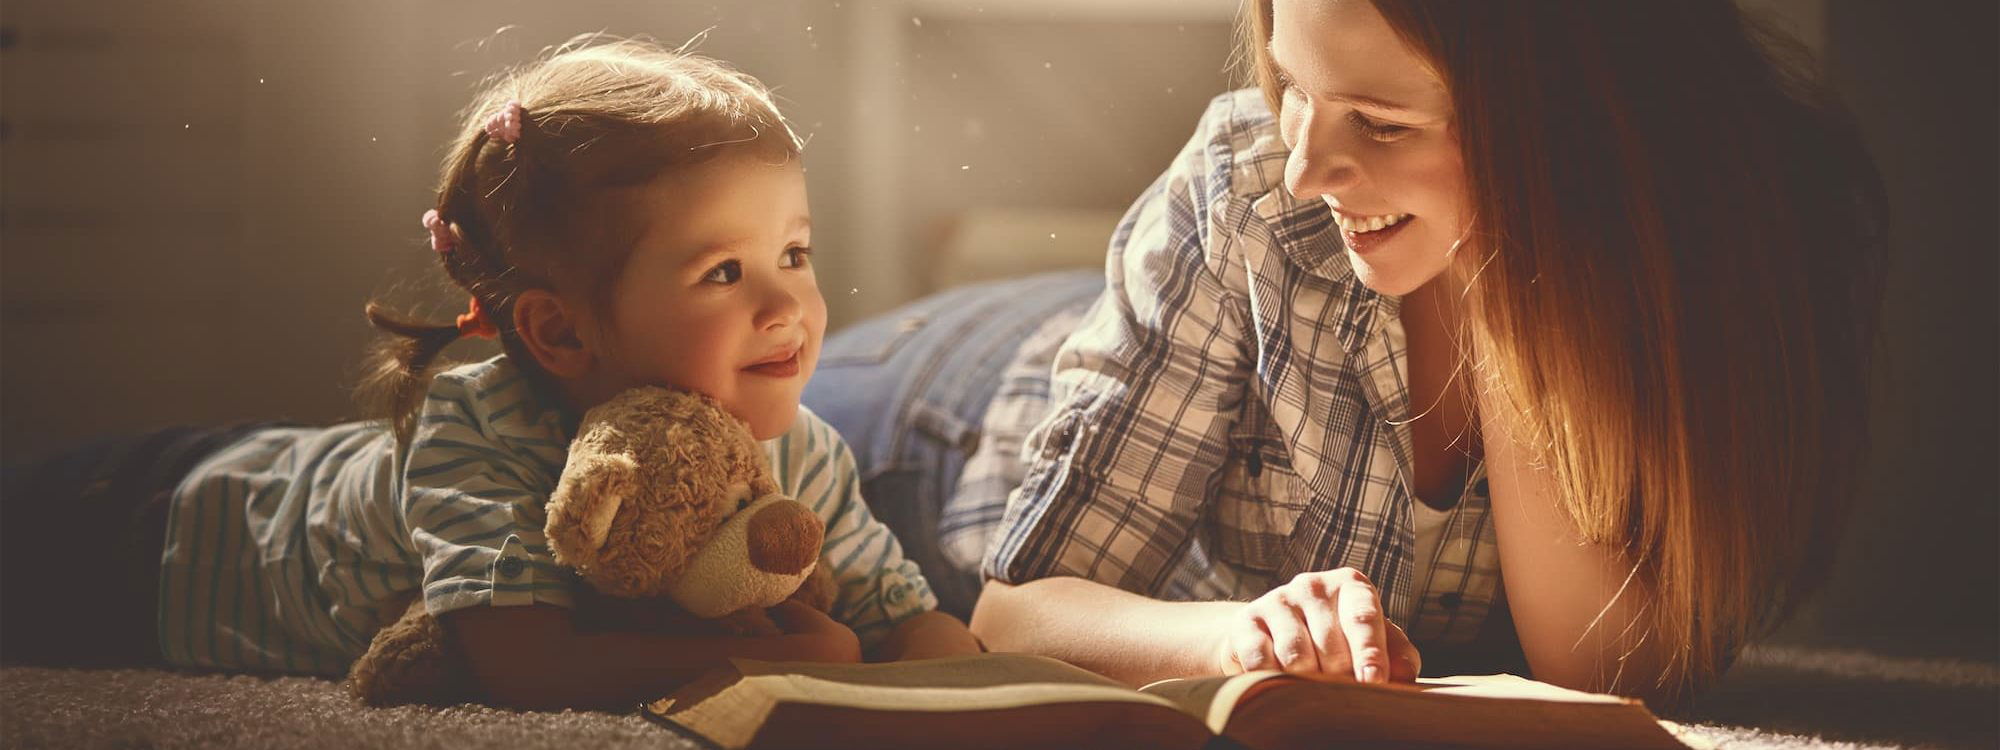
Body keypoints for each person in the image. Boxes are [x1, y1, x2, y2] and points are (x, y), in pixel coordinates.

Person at [813, 0, 1886, 708]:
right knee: (714, 445)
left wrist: (1512, 279)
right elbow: (1015, 615)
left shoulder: (1721, 264)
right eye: (1295, 91)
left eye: (1378, 123)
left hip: (1143, 336)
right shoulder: (1245, 188)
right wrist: (1240, 638)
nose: (1307, 168)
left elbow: (1604, 675)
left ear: (1575, 134)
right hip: (939, 415)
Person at [0, 38, 979, 710]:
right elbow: (515, 659)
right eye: (723, 272)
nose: (787, 308)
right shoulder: (484, 421)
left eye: (795, 256)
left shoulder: (799, 449)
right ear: (559, 334)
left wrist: (965, 678)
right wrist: (780, 656)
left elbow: (899, 618)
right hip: (159, 533)